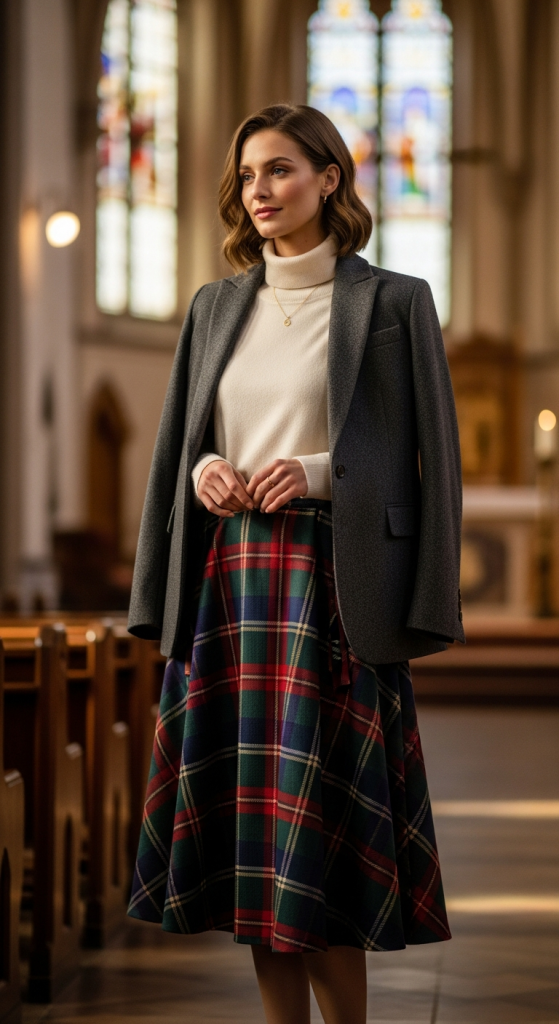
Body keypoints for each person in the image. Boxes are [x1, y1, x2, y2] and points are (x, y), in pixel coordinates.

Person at [127, 103, 464, 1024]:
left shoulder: (393, 302)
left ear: (328, 177)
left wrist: (314, 472)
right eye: (246, 175)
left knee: (323, 844)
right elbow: (184, 445)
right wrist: (204, 470)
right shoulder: (215, 304)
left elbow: (428, 458)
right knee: (254, 845)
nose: (259, 191)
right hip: (230, 588)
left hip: (334, 589)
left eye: (278, 170)